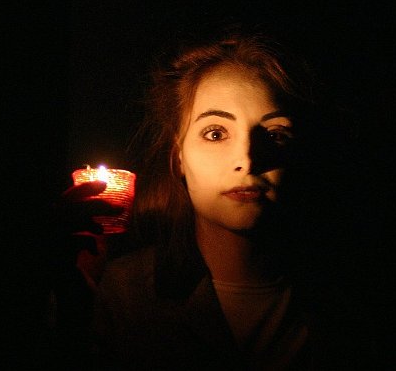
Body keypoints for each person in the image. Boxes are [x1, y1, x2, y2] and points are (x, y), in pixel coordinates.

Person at [50, 26, 374, 369]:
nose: (247, 159)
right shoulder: (128, 292)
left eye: (274, 134)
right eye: (216, 133)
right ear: (178, 158)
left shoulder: (349, 300)